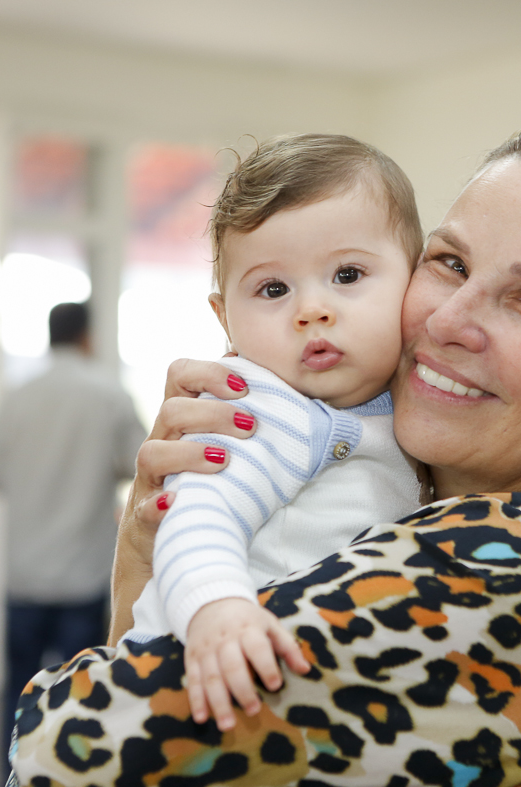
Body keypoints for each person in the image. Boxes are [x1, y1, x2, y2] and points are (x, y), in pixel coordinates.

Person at [3, 118, 521, 787]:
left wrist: (140, 585)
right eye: (452, 264)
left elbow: (67, 755)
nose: (452, 320)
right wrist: (152, 551)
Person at [125, 134, 424, 719]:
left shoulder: (392, 414)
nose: (311, 309)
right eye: (273, 289)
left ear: (413, 282)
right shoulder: (267, 407)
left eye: (347, 275)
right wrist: (218, 610)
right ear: (225, 319)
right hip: (187, 679)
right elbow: (199, 515)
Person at [0, 302, 147, 748]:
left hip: (23, 571)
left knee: (18, 692)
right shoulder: (108, 394)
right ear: (86, 337)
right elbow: (141, 466)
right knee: (80, 692)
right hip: (83, 569)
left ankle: (12, 782)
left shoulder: (17, 398)